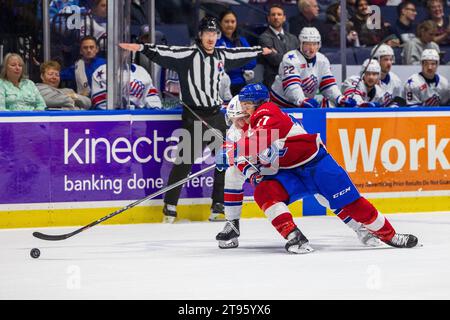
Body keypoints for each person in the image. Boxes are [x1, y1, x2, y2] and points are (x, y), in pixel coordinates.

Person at [220, 83, 419, 253]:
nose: (242, 118)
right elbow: (240, 156)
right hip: (290, 173)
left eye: (245, 109)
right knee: (265, 192)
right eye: (237, 117)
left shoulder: (267, 112)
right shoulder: (241, 128)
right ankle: (294, 236)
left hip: (316, 166)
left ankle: (390, 235)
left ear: (256, 104)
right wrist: (237, 160)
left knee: (350, 203)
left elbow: (256, 141)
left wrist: (236, 152)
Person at [119, 16, 273, 223]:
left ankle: (218, 205)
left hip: (216, 116)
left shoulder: (221, 54)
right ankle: (170, 207)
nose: (211, 38)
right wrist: (141, 47)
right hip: (194, 115)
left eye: (214, 34)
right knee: (184, 162)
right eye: (207, 34)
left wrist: (259, 51)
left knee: (224, 160)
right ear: (200, 36)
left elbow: (240, 53)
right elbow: (165, 52)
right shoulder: (189, 54)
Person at [270, 27, 357, 108]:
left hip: (302, 105)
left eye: (315, 44)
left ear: (319, 44)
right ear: (301, 44)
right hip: (280, 104)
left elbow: (328, 85)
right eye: (307, 44)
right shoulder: (291, 58)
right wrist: (301, 100)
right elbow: (291, 85)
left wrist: (339, 98)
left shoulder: (322, 60)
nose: (311, 49)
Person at [216, 9, 257, 96]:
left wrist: (234, 64)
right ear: (220, 23)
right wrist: (240, 62)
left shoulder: (242, 40)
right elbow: (218, 64)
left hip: (240, 83)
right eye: (226, 21)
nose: (230, 25)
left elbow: (252, 61)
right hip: (219, 85)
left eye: (233, 21)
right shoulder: (215, 41)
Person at [258, 4, 299, 89]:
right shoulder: (264, 37)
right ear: (268, 18)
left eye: (279, 14)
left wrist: (277, 53)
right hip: (273, 82)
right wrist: (292, 60)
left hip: (293, 81)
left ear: (284, 18)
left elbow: (300, 60)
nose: (276, 17)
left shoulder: (293, 38)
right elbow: (275, 60)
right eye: (273, 15)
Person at [90, 63, 162, 110]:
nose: (124, 50)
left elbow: (151, 97)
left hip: (139, 120)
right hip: (112, 122)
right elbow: (100, 102)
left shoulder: (142, 71)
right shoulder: (102, 71)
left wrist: (155, 110)